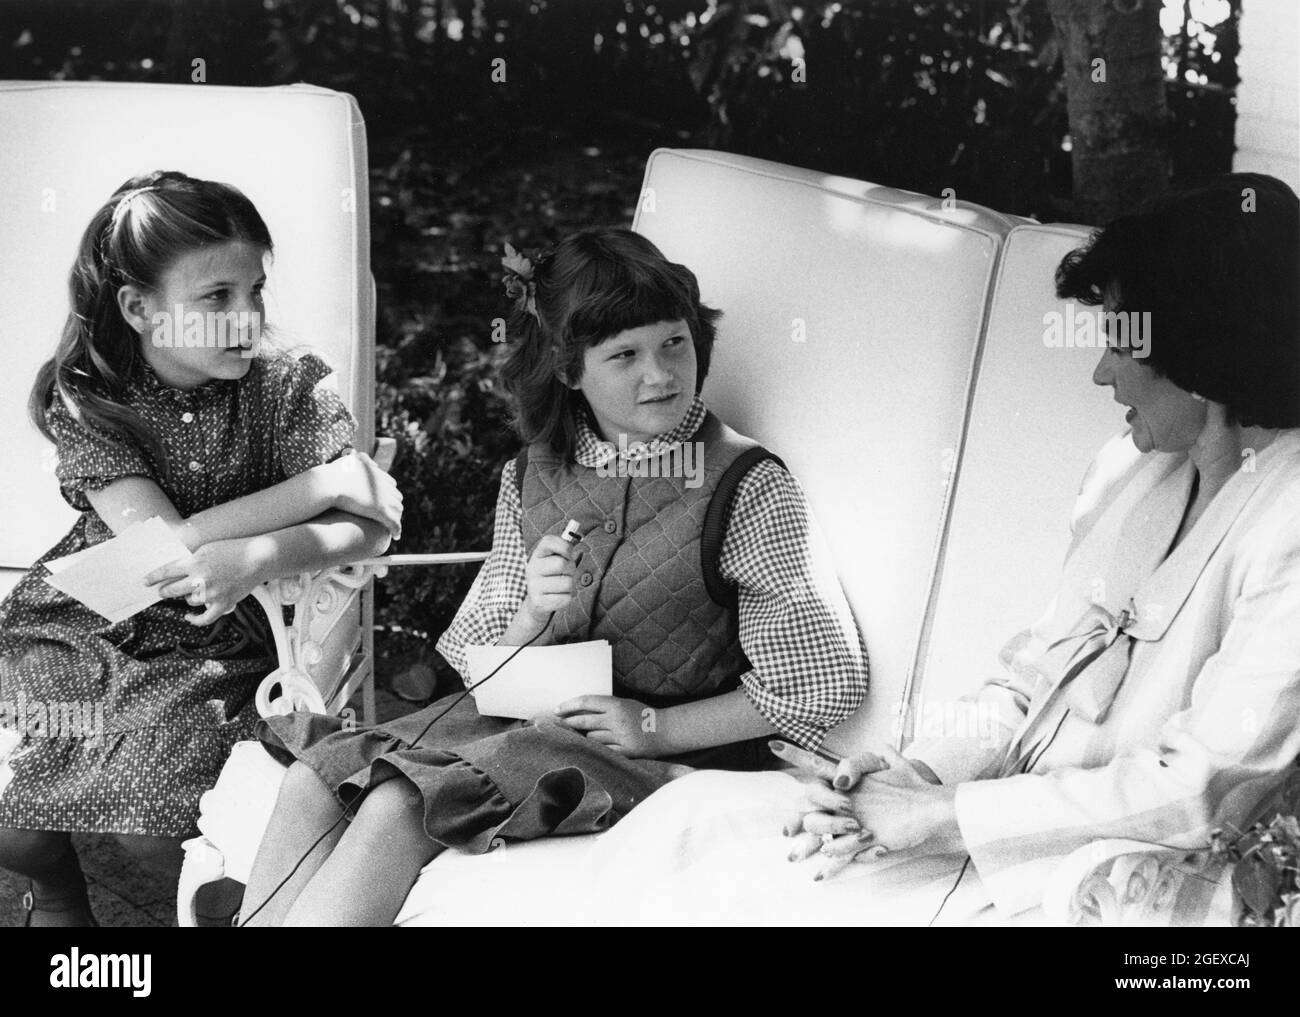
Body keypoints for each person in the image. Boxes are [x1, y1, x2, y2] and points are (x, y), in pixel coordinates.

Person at [571, 173, 1300, 926]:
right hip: (983, 839)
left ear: (1200, 360)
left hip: (1124, 887)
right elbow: (1026, 684)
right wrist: (906, 774)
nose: (1100, 370)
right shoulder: (1133, 469)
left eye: (1119, 343)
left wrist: (940, 815)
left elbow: (1201, 791)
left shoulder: (1289, 527)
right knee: (688, 816)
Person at [239, 227, 869, 926]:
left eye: (674, 343)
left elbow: (822, 683)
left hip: (676, 756)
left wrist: (655, 727)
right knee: (314, 778)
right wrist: (532, 618)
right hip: (533, 718)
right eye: (624, 355)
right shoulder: (533, 473)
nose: (659, 375)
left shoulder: (748, 485)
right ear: (571, 371)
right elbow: (481, 668)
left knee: (400, 802)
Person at [0, 171, 402, 927]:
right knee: (13, 822)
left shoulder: (288, 386)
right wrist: (321, 485)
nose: (246, 316)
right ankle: (56, 892)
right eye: (215, 298)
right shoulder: (90, 393)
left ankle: (213, 904)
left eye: (255, 290)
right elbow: (159, 547)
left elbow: (372, 528)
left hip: (220, 633)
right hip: (92, 612)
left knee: (151, 827)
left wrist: (256, 558)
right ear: (138, 308)